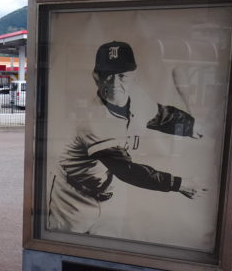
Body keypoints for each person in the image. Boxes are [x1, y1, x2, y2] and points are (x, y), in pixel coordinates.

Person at [47, 41, 205, 235]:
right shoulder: (92, 119)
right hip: (73, 201)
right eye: (107, 75)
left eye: (122, 75)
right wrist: (177, 183)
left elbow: (162, 116)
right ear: (96, 77)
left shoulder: (138, 97)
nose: (115, 84)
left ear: (134, 77)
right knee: (70, 251)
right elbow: (126, 170)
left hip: (112, 194)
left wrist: (190, 125)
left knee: (110, 252)